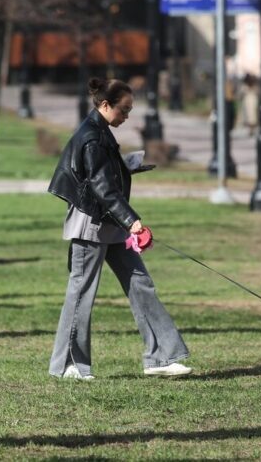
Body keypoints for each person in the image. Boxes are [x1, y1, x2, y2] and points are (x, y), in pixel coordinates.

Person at [47, 77, 191, 380]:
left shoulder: (100, 132)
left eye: (129, 110)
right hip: (92, 224)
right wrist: (133, 222)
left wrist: (126, 167)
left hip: (109, 222)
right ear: (104, 105)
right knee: (81, 292)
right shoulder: (92, 136)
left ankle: (161, 357)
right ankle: (68, 365)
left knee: (141, 284)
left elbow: (99, 175)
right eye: (123, 110)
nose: (127, 116)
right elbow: (102, 188)